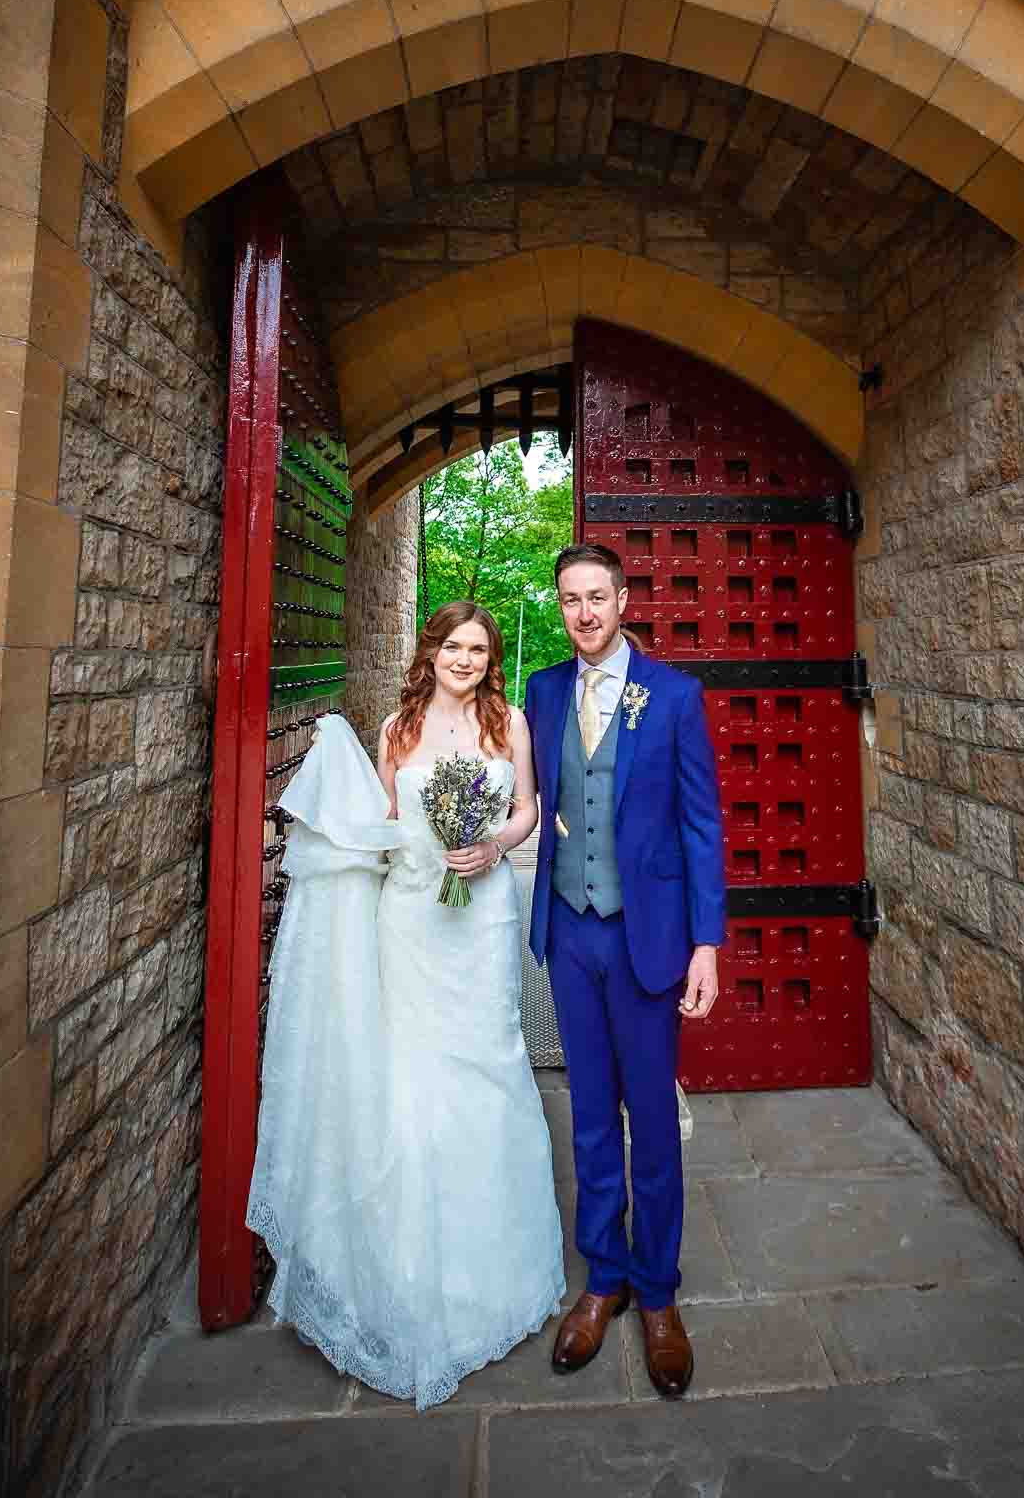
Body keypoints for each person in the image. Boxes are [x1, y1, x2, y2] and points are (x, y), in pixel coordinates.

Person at [247, 602, 564, 1409]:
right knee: (412, 1075)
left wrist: (493, 843)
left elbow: (526, 806)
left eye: (478, 649)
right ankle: (407, 1267)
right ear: (433, 651)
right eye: (453, 646)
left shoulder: (509, 723)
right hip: (412, 919)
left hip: (483, 916)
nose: (465, 659)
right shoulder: (397, 727)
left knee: (489, 1067)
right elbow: (386, 822)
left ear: (491, 661)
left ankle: (489, 1268)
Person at [524, 543, 726, 1396]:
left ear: (624, 600)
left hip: (648, 936)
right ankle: (602, 1279)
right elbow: (527, 799)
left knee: (650, 1118)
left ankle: (658, 1293)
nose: (583, 612)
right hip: (572, 933)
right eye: (569, 598)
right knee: (590, 1118)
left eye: (596, 596)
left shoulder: (675, 697)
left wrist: (706, 944)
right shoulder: (540, 690)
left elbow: (701, 826)